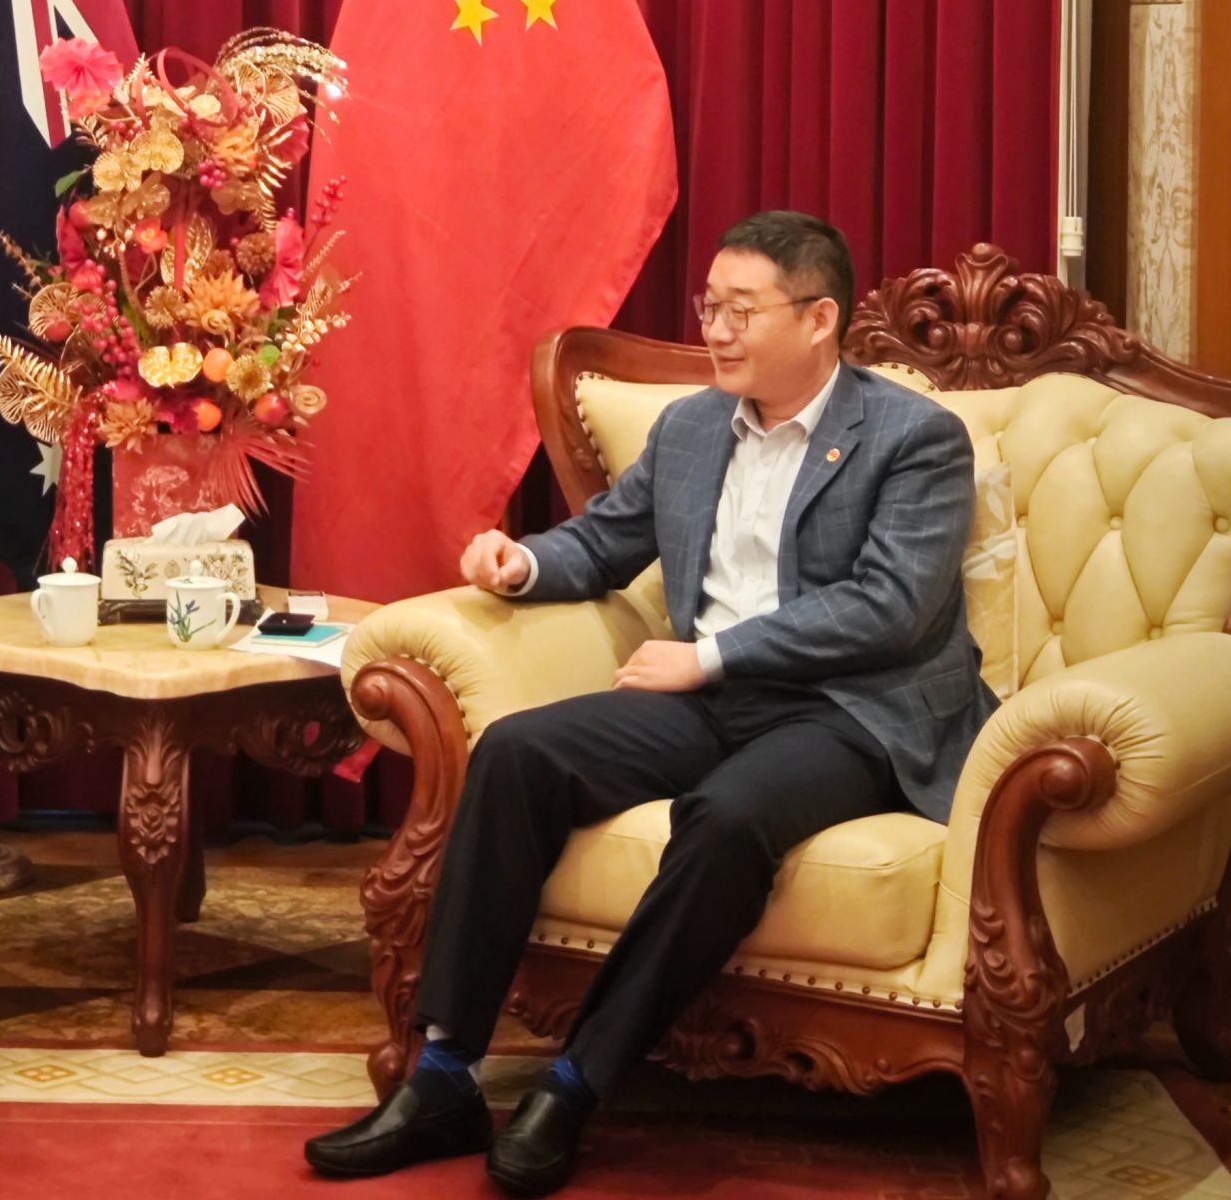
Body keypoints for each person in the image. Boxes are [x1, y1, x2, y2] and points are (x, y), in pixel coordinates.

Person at [305, 210, 994, 1197]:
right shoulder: (691, 426)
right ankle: (444, 1071)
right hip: (710, 692)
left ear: (818, 319)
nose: (714, 329)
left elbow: (887, 608)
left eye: (740, 310)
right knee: (515, 752)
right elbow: (605, 540)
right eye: (709, 306)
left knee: (726, 816)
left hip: (851, 708)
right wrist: (520, 563)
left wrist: (707, 655)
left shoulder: (913, 437)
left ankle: (576, 1081)